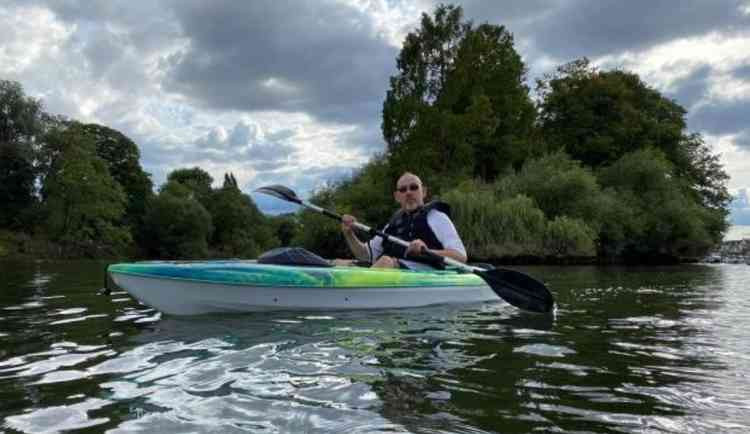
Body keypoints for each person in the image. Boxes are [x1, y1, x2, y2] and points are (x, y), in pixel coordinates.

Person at [337, 172, 467, 269]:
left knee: (385, 261)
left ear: (424, 192)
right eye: (403, 190)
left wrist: (427, 251)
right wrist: (349, 234)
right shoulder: (392, 224)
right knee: (340, 263)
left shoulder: (437, 218)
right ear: (397, 196)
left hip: (428, 273)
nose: (408, 192)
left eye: (414, 187)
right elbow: (365, 255)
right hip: (394, 270)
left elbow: (460, 257)